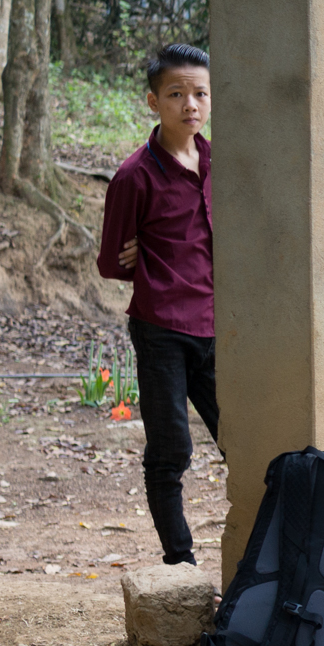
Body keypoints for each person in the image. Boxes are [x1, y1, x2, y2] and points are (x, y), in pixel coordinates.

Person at [96, 43, 220, 567]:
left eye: (199, 93)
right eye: (176, 94)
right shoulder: (135, 176)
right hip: (161, 328)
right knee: (171, 453)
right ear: (154, 101)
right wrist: (143, 257)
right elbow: (111, 261)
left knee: (243, 441)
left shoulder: (220, 162)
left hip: (218, 328)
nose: (189, 104)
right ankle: (181, 564)